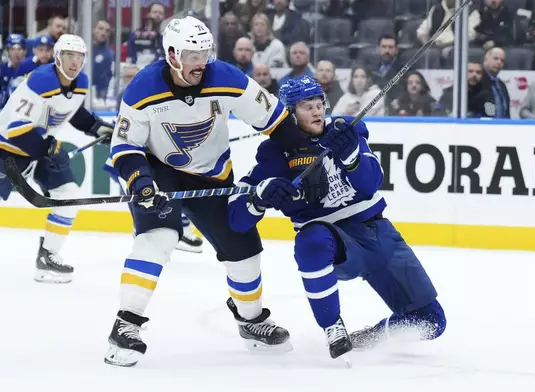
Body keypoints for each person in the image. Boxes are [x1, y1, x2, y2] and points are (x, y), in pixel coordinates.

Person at [104, 16, 306, 367]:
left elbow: (276, 121)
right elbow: (123, 146)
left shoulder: (226, 78)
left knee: (244, 248)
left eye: (204, 54)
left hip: (213, 175)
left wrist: (306, 154)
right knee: (159, 235)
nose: (200, 62)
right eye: (191, 55)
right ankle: (125, 325)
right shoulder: (143, 88)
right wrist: (140, 180)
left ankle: (251, 320)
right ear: (171, 54)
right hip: (158, 171)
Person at [227, 76, 447, 360]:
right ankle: (333, 327)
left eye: (320, 104)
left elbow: (371, 183)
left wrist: (352, 156)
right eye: (307, 107)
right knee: (311, 240)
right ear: (290, 113)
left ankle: (373, 335)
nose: (318, 111)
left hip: (378, 233)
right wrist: (258, 198)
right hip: (333, 242)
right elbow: (236, 219)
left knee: (431, 321)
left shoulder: (345, 132)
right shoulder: (276, 154)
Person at [0, 34, 113, 283]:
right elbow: (16, 130)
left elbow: (73, 112)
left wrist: (99, 128)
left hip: (39, 149)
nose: (74, 62)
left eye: (79, 57)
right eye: (69, 56)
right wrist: (46, 148)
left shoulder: (80, 81)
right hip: (6, 149)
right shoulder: (40, 81)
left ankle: (47, 256)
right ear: (57, 57)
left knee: (69, 196)